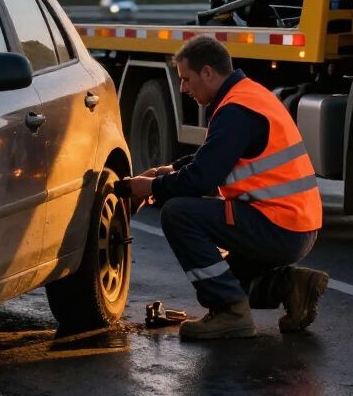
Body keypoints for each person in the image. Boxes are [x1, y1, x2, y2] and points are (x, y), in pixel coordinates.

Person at [126, 35, 328, 341]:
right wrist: (171, 170)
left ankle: (230, 315)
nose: (183, 88)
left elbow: (202, 180)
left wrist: (150, 187)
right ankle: (292, 286)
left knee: (179, 213)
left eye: (186, 79)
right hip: (294, 225)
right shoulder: (248, 96)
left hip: (279, 226)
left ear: (208, 72)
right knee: (225, 279)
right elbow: (213, 157)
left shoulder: (235, 110)